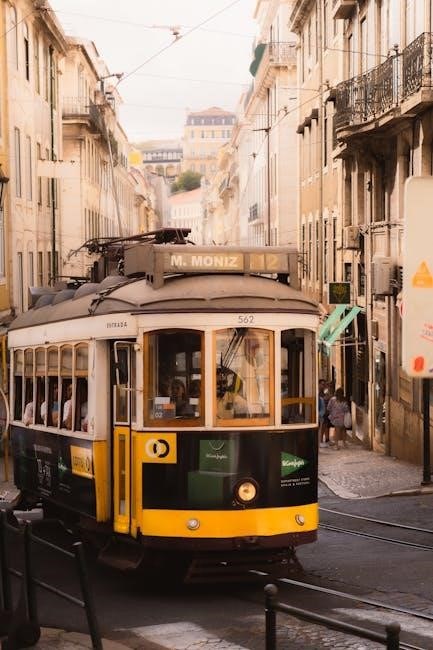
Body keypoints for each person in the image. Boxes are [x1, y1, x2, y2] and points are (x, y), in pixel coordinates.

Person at [318, 379, 332, 447]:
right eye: (322, 384)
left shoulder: (324, 392)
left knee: (326, 426)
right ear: (319, 384)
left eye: (324, 385)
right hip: (322, 412)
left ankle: (327, 439)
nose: (323, 386)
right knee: (322, 426)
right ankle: (320, 441)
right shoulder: (318, 393)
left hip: (326, 412)